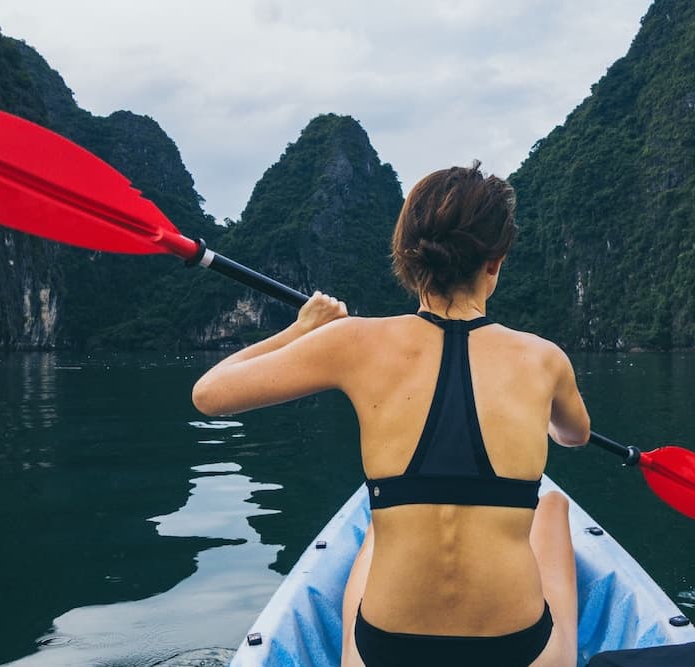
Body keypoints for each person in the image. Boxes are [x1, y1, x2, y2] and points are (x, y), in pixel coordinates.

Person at [192, 162, 591, 667]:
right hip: (516, 651)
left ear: (406, 255)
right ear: (495, 262)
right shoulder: (545, 359)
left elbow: (208, 394)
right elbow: (575, 435)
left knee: (377, 523)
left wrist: (302, 329)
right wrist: (542, 416)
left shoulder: (352, 341)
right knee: (552, 508)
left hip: (387, 651)